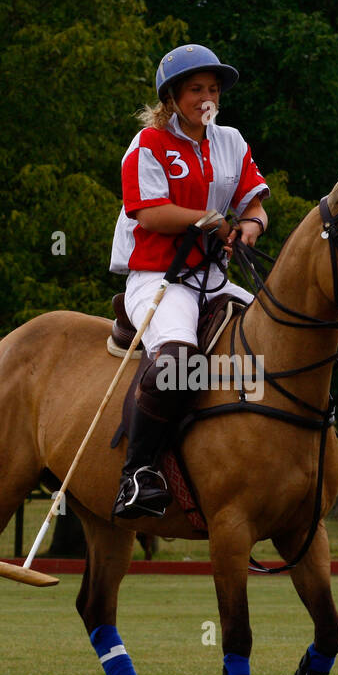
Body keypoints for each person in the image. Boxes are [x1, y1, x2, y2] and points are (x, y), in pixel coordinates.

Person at [108, 44, 270, 518]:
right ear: (172, 96)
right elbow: (151, 213)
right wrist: (211, 220)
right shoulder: (148, 145)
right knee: (178, 361)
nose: (206, 97)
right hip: (160, 278)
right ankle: (137, 474)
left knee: (277, 338)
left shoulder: (231, 142)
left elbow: (255, 203)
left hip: (214, 280)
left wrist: (250, 226)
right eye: (196, 89)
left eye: (213, 89)